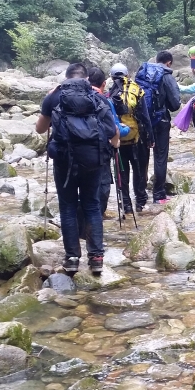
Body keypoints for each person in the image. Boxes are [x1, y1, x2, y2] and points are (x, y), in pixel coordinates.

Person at [35, 63, 120, 274]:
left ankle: (72, 258)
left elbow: (40, 129)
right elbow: (113, 133)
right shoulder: (97, 97)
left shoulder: (55, 96)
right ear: (86, 80)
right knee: (92, 206)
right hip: (93, 161)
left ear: (65, 78)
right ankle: (96, 257)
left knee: (68, 207)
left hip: (64, 161)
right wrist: (114, 146)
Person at [108, 63, 154, 215]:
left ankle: (126, 205)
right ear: (127, 75)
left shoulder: (111, 92)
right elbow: (145, 117)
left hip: (118, 139)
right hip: (137, 138)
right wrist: (150, 137)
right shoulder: (137, 90)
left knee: (122, 173)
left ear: (112, 76)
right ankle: (140, 202)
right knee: (139, 171)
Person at [88, 67, 130, 221]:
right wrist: (126, 129)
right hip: (100, 151)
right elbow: (114, 129)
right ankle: (97, 218)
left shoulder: (75, 99)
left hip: (77, 152)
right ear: (104, 83)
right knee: (102, 185)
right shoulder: (104, 100)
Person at [150, 50, 181, 204]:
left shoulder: (145, 74)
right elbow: (175, 104)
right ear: (168, 62)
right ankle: (159, 194)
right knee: (160, 157)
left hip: (143, 121)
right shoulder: (167, 76)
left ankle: (139, 197)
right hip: (161, 121)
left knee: (141, 159)